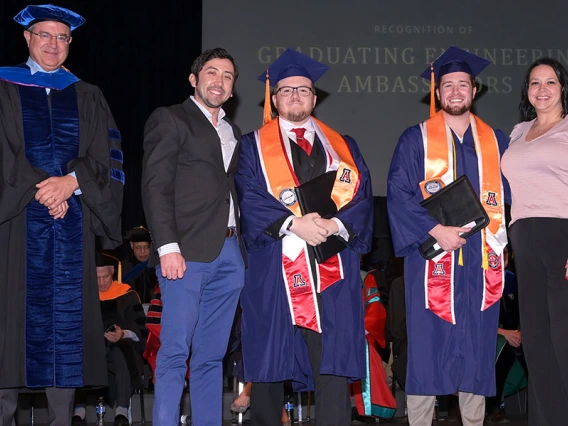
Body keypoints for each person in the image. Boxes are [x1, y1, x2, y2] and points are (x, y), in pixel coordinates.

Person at [235, 48, 373, 426]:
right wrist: (295, 225)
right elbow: (248, 195)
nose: (295, 96)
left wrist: (335, 226)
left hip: (332, 265)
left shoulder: (343, 147)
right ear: (274, 99)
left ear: (315, 98)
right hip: (275, 266)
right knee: (270, 361)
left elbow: (361, 196)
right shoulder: (251, 147)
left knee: (331, 361)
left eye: (303, 90)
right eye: (286, 91)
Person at [0, 5, 123, 425]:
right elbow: (5, 155)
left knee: (66, 325)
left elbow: (105, 158)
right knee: (11, 324)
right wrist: (44, 187)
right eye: (45, 35)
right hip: (16, 226)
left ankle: (62, 418)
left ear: (71, 42)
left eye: (62, 37)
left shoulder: (87, 94)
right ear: (27, 39)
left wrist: (71, 183)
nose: (54, 45)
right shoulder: (3, 86)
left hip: (72, 223)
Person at [387, 46, 509, 426]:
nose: (456, 92)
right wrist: (435, 229)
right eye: (448, 85)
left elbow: (512, 197)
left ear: (475, 91)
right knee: (426, 350)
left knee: (475, 350)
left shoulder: (497, 141)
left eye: (463, 85)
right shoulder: (415, 139)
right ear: (437, 93)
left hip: (479, 264)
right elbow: (397, 192)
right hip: (431, 261)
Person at [141, 47, 246, 426]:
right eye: (212, 73)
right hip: (185, 252)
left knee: (211, 356)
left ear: (232, 89)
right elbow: (155, 186)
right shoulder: (170, 119)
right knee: (173, 351)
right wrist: (167, 246)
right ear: (194, 79)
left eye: (228, 76)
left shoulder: (233, 130)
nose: (219, 81)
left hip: (231, 253)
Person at [500, 57, 568, 426]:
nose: (542, 89)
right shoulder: (518, 131)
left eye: (550, 82)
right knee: (538, 343)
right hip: (523, 238)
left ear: (562, 88)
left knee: (564, 340)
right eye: (534, 83)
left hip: (563, 237)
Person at [73, 253, 147, 426]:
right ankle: (78, 410)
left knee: (123, 352)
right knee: (77, 353)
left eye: (105, 276)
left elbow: (140, 328)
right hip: (91, 348)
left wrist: (123, 333)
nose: (101, 282)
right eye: (97, 277)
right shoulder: (85, 296)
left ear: (113, 272)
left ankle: (121, 412)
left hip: (118, 347)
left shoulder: (127, 294)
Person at [486, 246, 528, 423]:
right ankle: (493, 406)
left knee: (534, 354)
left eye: (503, 255)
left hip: (516, 333)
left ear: (508, 256)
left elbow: (526, 311)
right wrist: (503, 333)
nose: (499, 260)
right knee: (502, 351)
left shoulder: (513, 280)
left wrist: (521, 332)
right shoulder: (481, 281)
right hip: (492, 334)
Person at [122, 226, 157, 303]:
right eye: (138, 248)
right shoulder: (125, 265)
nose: (142, 252)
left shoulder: (157, 263)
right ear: (131, 245)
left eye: (146, 247)